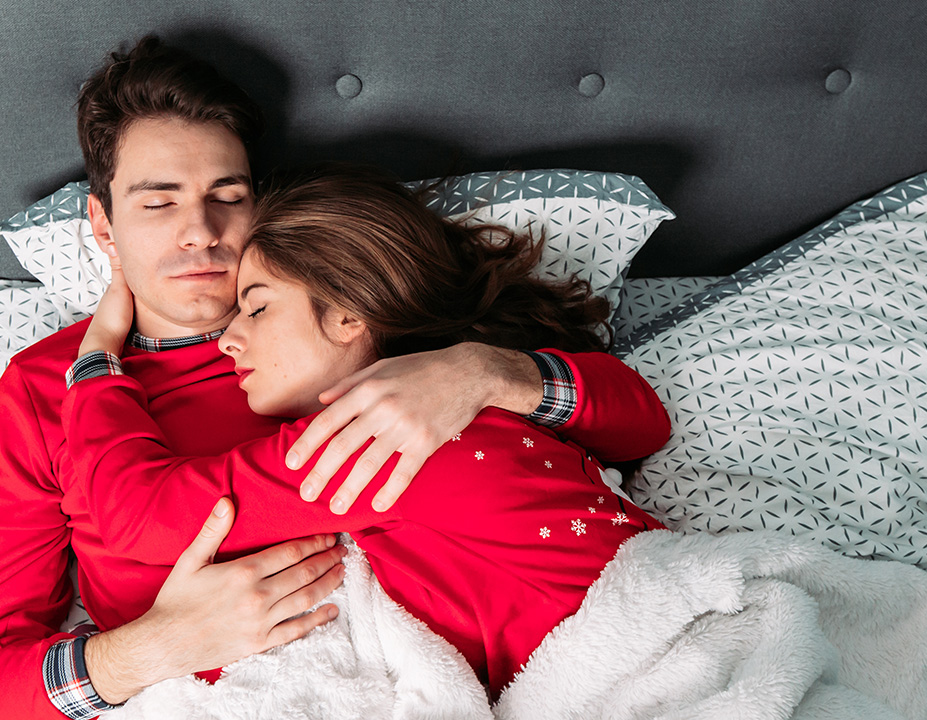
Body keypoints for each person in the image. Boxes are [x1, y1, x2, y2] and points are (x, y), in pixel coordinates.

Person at [0, 37, 666, 719]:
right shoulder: (46, 387)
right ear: (102, 225)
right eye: (159, 201)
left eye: (227, 195)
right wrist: (154, 647)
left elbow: (638, 425)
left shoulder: (337, 306)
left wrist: (483, 371)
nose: (199, 230)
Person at [63, 164, 671, 700]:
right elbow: (644, 423)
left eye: (257, 306)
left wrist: (94, 361)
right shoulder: (482, 404)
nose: (229, 340)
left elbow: (136, 512)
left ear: (349, 313)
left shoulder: (370, 438)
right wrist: (490, 370)